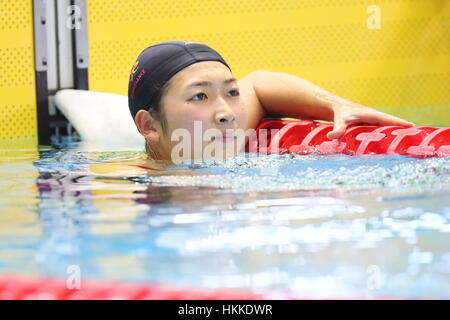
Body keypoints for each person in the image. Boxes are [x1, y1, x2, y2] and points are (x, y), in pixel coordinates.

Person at [128, 40, 414, 163]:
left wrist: (337, 105)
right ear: (149, 125)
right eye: (199, 96)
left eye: (231, 92)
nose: (226, 113)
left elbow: (257, 82)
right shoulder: (124, 185)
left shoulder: (226, 133)